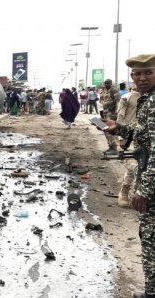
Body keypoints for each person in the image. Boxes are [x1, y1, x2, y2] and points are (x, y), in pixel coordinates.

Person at [104, 54, 155, 298]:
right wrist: (119, 128)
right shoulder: (147, 100)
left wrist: (145, 190)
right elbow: (142, 132)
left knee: (151, 239)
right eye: (137, 73)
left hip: (152, 181)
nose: (142, 78)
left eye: (148, 72)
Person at [116, 89, 140, 207]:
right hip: (131, 138)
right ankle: (124, 192)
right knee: (133, 168)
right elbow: (120, 119)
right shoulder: (127, 97)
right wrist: (122, 138)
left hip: (150, 139)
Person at [101, 79, 122, 155]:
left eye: (108, 83)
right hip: (106, 113)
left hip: (111, 113)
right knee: (104, 128)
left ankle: (114, 147)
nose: (106, 84)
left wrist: (116, 112)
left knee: (109, 129)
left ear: (111, 83)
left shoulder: (114, 90)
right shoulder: (105, 91)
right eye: (105, 83)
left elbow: (118, 101)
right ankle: (111, 146)